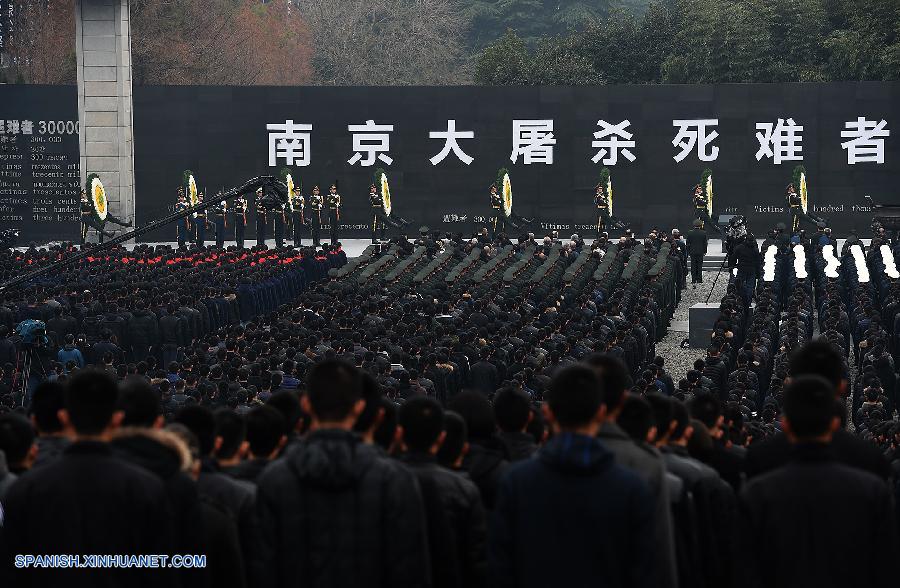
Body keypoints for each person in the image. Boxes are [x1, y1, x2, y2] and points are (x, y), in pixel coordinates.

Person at [253, 360, 430, 587]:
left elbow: (262, 568)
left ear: (306, 405)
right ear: (358, 407)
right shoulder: (395, 478)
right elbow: (411, 570)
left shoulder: (274, 479)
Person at [0, 370, 173, 588]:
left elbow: (12, 572)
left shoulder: (26, 489)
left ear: (64, 417)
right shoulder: (148, 488)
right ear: (116, 419)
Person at [489, 364, 656, 588]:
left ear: (547, 412)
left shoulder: (515, 481)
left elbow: (500, 569)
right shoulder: (632, 488)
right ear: (601, 413)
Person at [739, 375, 897, 588]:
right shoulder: (872, 489)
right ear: (835, 423)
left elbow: (745, 567)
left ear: (786, 424)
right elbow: (885, 566)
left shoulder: (756, 492)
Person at [398, 396, 488, 588]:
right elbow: (476, 558)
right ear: (440, 437)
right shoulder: (464, 489)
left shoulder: (383, 480)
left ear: (400, 434)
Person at [686, 219, 708, 285]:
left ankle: (693, 279)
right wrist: (705, 251)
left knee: (693, 266)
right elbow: (705, 243)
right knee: (699, 265)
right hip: (700, 251)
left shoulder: (690, 232)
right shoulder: (703, 233)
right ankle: (699, 279)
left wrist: (688, 251)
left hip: (692, 251)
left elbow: (688, 243)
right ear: (700, 225)